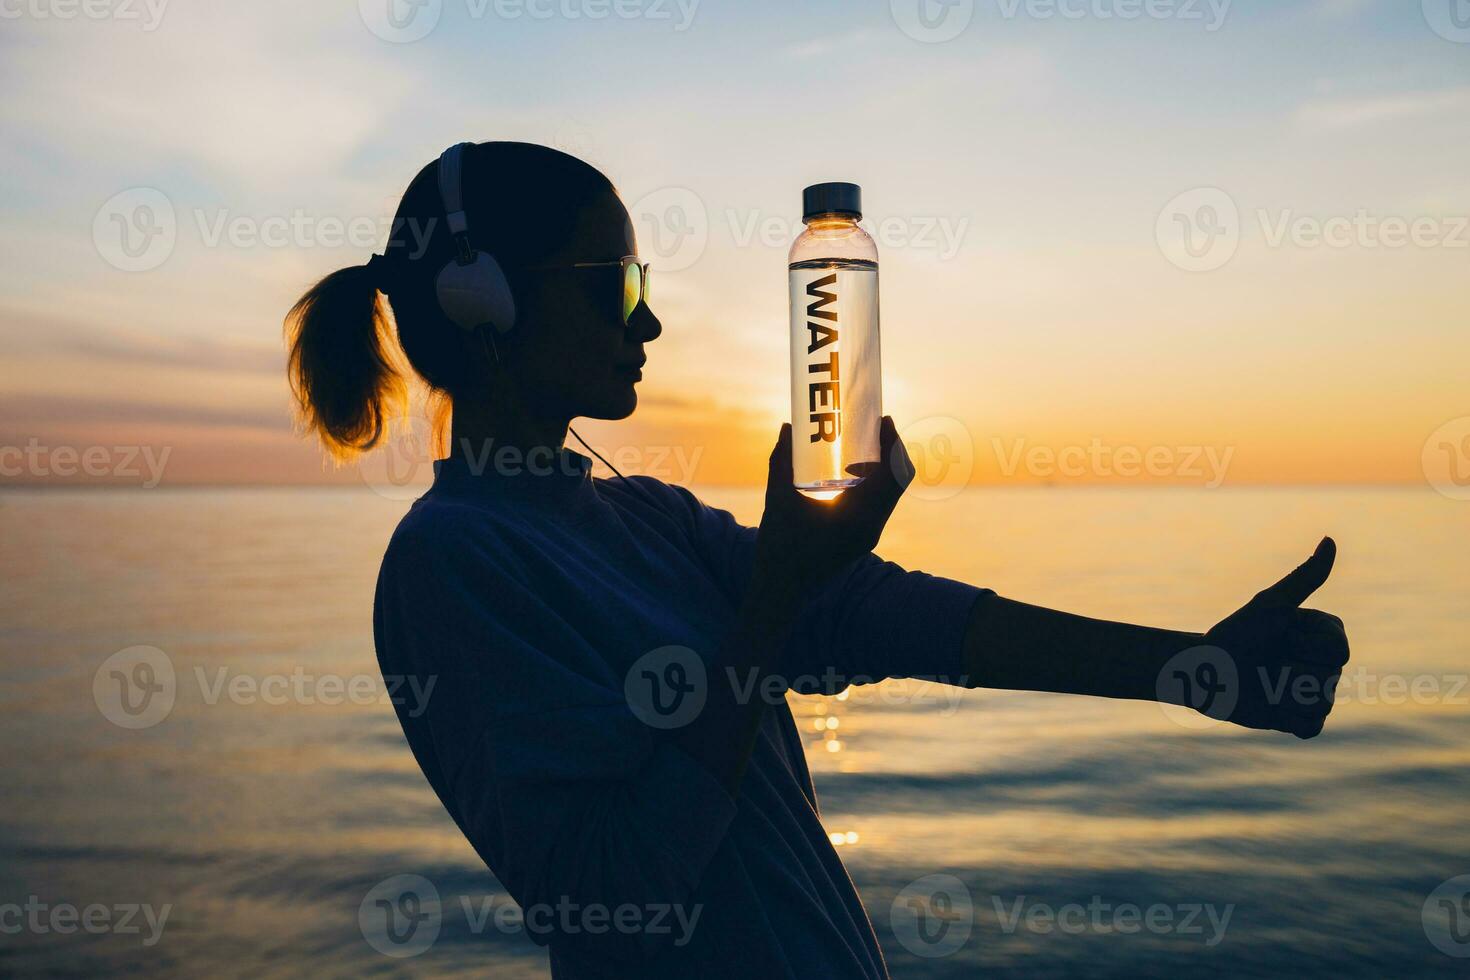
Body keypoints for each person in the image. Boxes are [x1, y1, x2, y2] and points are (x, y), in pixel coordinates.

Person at [284, 141, 1350, 978]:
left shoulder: (641, 517)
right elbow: (610, 895)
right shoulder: (452, 564)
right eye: (613, 282)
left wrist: (1191, 668)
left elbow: (871, 615)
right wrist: (772, 604)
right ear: (488, 303)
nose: (648, 316)